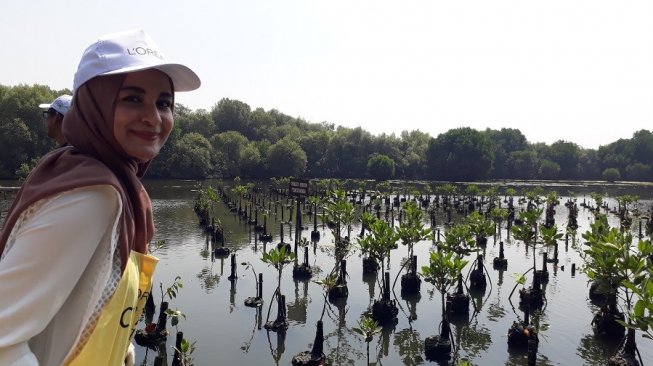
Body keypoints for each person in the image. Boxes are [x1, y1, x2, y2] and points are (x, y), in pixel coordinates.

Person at [0, 29, 200, 366]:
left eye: (163, 103)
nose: (153, 117)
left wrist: (120, 346)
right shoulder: (93, 195)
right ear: (95, 104)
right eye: (132, 98)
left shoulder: (82, 171)